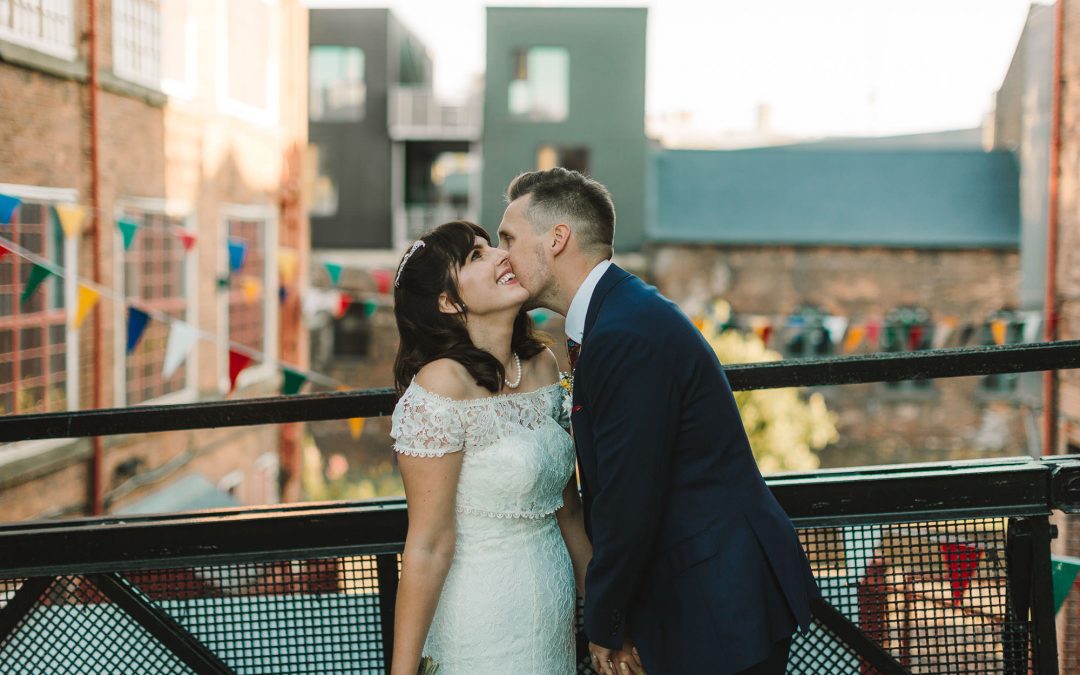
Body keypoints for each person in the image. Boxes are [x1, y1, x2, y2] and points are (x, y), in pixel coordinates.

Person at [497, 168, 821, 675]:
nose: (502, 257)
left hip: (717, 600)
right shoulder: (620, 313)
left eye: (508, 239)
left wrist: (604, 625)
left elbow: (630, 497)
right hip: (705, 589)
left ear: (557, 239)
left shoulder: (624, 334)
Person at [388, 220, 610, 675]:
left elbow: (569, 510)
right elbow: (428, 545)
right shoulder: (440, 387)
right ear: (449, 302)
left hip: (551, 618)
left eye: (493, 246)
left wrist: (607, 623)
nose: (501, 256)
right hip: (479, 620)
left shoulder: (543, 365)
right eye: (476, 256)